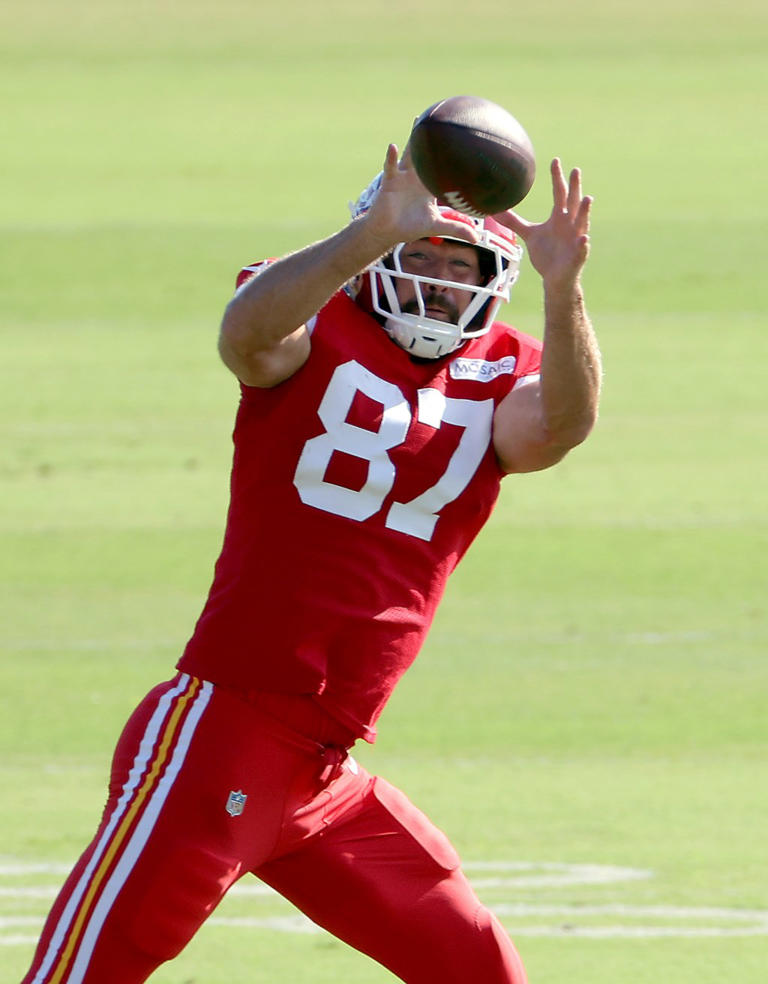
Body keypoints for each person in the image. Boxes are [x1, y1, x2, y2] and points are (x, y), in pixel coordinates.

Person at [21, 135, 601, 984]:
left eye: (460, 264)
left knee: (481, 969)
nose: (440, 279)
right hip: (223, 736)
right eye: (420, 254)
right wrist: (364, 236)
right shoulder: (313, 318)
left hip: (322, 771)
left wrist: (564, 289)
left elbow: (556, 428)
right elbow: (250, 340)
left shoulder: (498, 371)